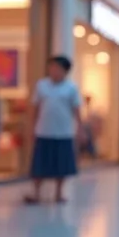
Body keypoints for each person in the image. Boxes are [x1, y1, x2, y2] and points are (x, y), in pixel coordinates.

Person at [24, 56, 82, 204]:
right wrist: (32, 127)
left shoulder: (71, 88)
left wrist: (79, 129)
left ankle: (59, 193)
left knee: (62, 165)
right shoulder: (42, 85)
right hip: (44, 131)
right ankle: (36, 193)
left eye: (57, 68)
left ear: (65, 71)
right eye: (52, 67)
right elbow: (35, 107)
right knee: (40, 165)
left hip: (63, 132)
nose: (54, 71)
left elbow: (76, 110)